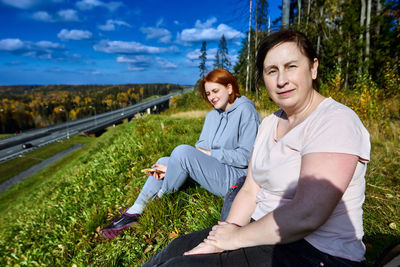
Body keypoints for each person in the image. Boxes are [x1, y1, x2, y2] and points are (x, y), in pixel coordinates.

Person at [143, 30, 371, 266]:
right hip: (260, 231)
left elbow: (308, 215)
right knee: (176, 248)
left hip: (315, 252)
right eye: (272, 71)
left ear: (313, 68)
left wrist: (234, 239)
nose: (281, 80)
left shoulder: (335, 120)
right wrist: (221, 237)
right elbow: (251, 189)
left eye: (291, 66)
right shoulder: (269, 123)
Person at [100, 68, 261, 239]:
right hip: (215, 170)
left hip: (236, 178)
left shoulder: (247, 111)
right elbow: (200, 150)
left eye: (215, 91)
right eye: (208, 93)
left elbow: (245, 157)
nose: (211, 97)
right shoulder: (212, 116)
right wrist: (175, 166)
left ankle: (158, 201)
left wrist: (210, 154)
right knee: (164, 160)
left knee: (182, 151)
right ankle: (135, 211)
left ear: (229, 88)